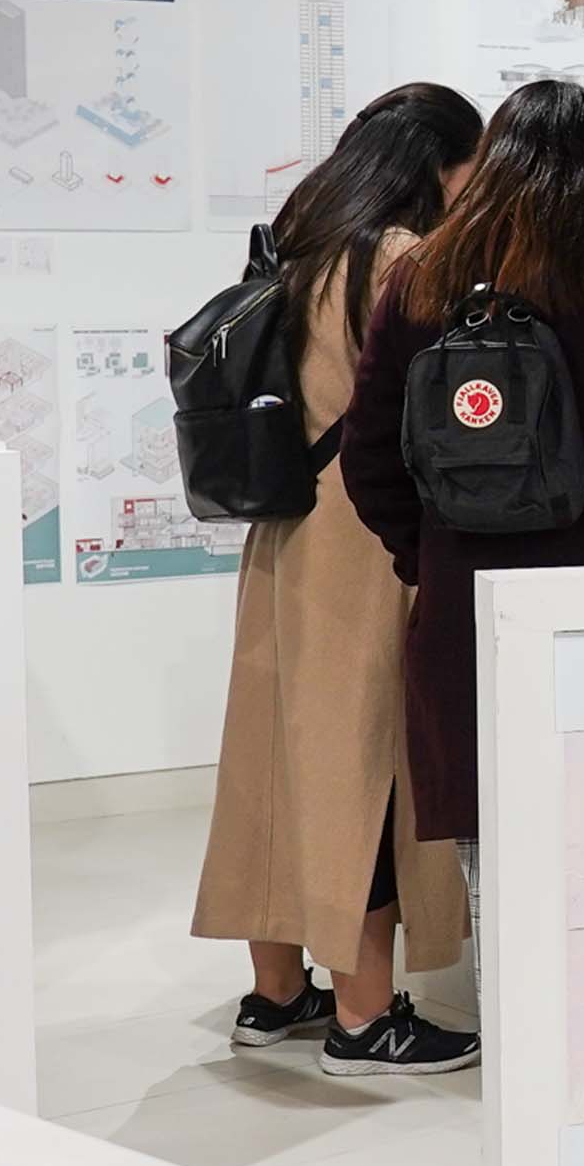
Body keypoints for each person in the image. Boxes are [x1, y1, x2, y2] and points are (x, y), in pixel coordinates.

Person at [341, 80, 584, 898]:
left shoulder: (423, 277)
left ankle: (512, 1022)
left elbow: (369, 458)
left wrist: (429, 557)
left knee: (499, 858)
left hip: (473, 607)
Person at [191, 83, 484, 1077]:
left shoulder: (295, 245)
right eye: (470, 173)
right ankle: (365, 1019)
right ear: (437, 167)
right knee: (365, 763)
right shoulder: (401, 261)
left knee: (274, 756)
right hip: (366, 539)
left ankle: (278, 997)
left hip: (284, 528)